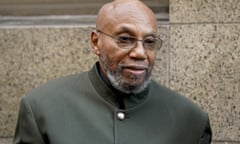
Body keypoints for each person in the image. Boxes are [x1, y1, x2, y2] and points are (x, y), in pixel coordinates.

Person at [13, 0, 212, 144]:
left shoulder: (191, 121)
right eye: (125, 39)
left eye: (150, 42)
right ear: (95, 42)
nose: (140, 53)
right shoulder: (41, 109)